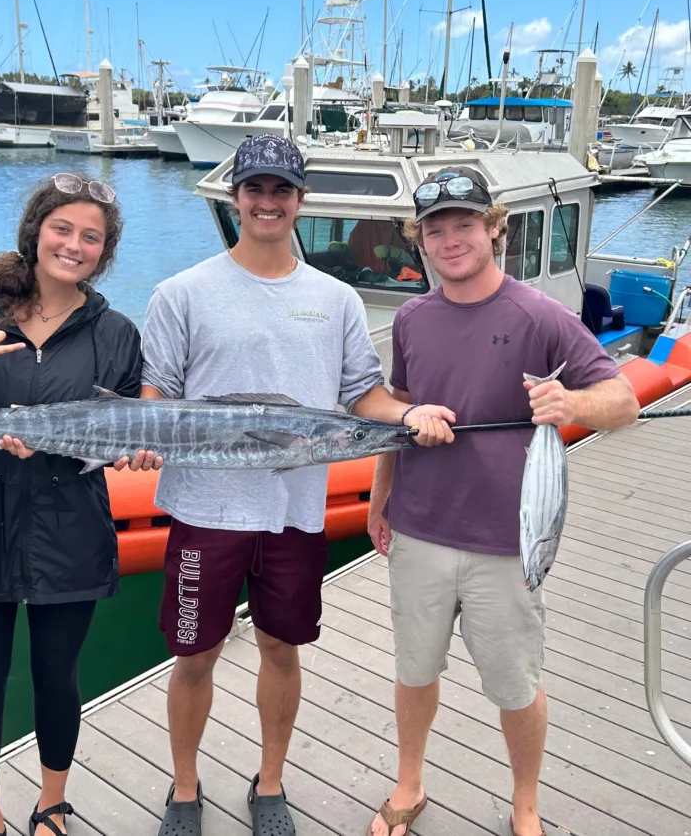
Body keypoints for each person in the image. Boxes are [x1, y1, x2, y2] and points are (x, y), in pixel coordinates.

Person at [128, 134, 456, 836]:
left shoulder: (335, 299)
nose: (267, 202)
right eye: (255, 189)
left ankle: (270, 780)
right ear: (236, 198)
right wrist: (140, 438)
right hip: (204, 508)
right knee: (193, 655)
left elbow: (363, 394)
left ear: (301, 201)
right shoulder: (180, 292)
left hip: (296, 511)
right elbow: (157, 394)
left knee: (282, 648)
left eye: (281, 190)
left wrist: (409, 415)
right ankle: (184, 786)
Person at [366, 166, 640, 836]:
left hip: (508, 542)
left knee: (516, 685)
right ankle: (409, 782)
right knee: (414, 671)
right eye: (436, 230)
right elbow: (399, 411)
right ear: (420, 240)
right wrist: (379, 500)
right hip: (419, 532)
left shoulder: (540, 315)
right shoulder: (411, 319)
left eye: (465, 224)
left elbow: (625, 402)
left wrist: (570, 403)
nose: (451, 240)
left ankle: (525, 804)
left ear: (494, 228)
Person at [0, 173, 143, 836]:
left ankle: (52, 803)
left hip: (71, 524)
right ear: (35, 232)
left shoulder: (116, 333)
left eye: (91, 237)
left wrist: (123, 450)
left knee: (58, 676)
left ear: (104, 252)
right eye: (62, 228)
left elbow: (119, 433)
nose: (74, 245)